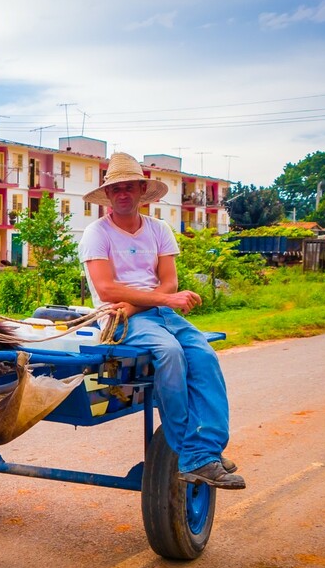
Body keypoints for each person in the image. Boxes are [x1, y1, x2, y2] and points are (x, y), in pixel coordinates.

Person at [77, 152, 245, 489]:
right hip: (119, 320)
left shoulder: (159, 229)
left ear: (141, 190)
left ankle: (206, 449)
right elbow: (107, 289)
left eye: (129, 187)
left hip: (149, 312)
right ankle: (191, 454)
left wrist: (147, 304)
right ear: (108, 195)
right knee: (170, 354)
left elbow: (169, 281)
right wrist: (161, 300)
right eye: (116, 189)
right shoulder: (97, 233)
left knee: (205, 357)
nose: (123, 194)